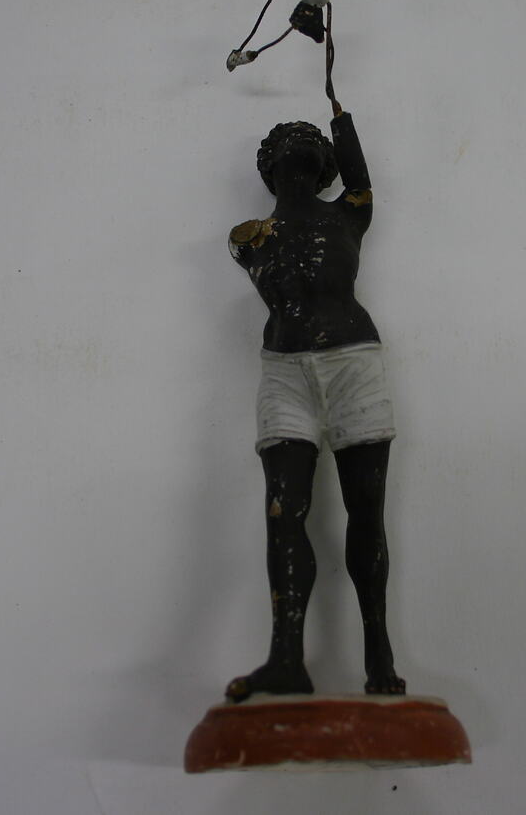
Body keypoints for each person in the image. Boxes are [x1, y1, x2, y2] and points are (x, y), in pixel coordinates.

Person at [224, 104, 405, 701]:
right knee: (283, 512)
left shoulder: (350, 213)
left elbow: (361, 177)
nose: (297, 142)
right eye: (285, 140)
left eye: (309, 138)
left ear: (325, 161)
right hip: (285, 369)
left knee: (366, 512)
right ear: (268, 166)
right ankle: (286, 658)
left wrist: (339, 112)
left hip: (353, 361)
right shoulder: (249, 238)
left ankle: (379, 655)